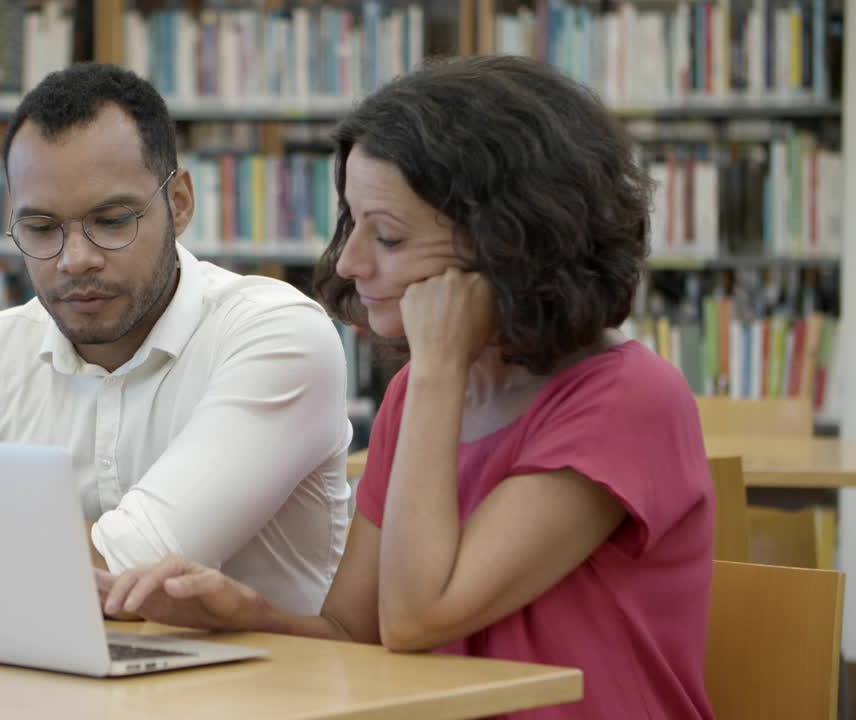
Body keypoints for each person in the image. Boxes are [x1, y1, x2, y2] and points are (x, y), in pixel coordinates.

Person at [98, 55, 715, 719]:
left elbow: (419, 617)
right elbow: (353, 636)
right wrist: (242, 612)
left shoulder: (626, 398)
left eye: (387, 235)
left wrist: (440, 367)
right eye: (352, 223)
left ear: (508, 243)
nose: (349, 261)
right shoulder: (422, 393)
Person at [0, 63, 353, 616]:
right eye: (40, 229)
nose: (74, 259)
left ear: (179, 202)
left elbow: (128, 569)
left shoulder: (275, 333)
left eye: (112, 221)